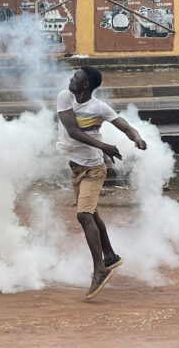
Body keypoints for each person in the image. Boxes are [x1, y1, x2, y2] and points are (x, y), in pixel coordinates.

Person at [56, 66, 147, 300]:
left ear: (85, 85)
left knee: (84, 216)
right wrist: (104, 146)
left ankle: (100, 270)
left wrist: (137, 137)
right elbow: (72, 130)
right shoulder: (64, 97)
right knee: (92, 215)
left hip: (93, 170)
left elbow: (124, 125)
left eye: (75, 78)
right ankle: (110, 256)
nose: (71, 79)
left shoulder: (99, 108)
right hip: (76, 169)